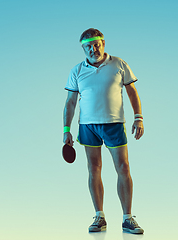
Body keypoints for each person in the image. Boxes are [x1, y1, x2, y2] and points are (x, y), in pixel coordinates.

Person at [63, 28, 144, 234]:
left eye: (96, 44)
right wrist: (66, 130)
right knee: (94, 169)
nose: (93, 49)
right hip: (88, 126)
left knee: (123, 168)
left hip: (114, 124)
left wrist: (138, 117)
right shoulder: (77, 70)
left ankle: (127, 218)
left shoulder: (119, 64)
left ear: (103, 43)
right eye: (88, 46)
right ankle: (99, 217)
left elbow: (132, 91)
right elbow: (70, 102)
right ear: (83, 48)